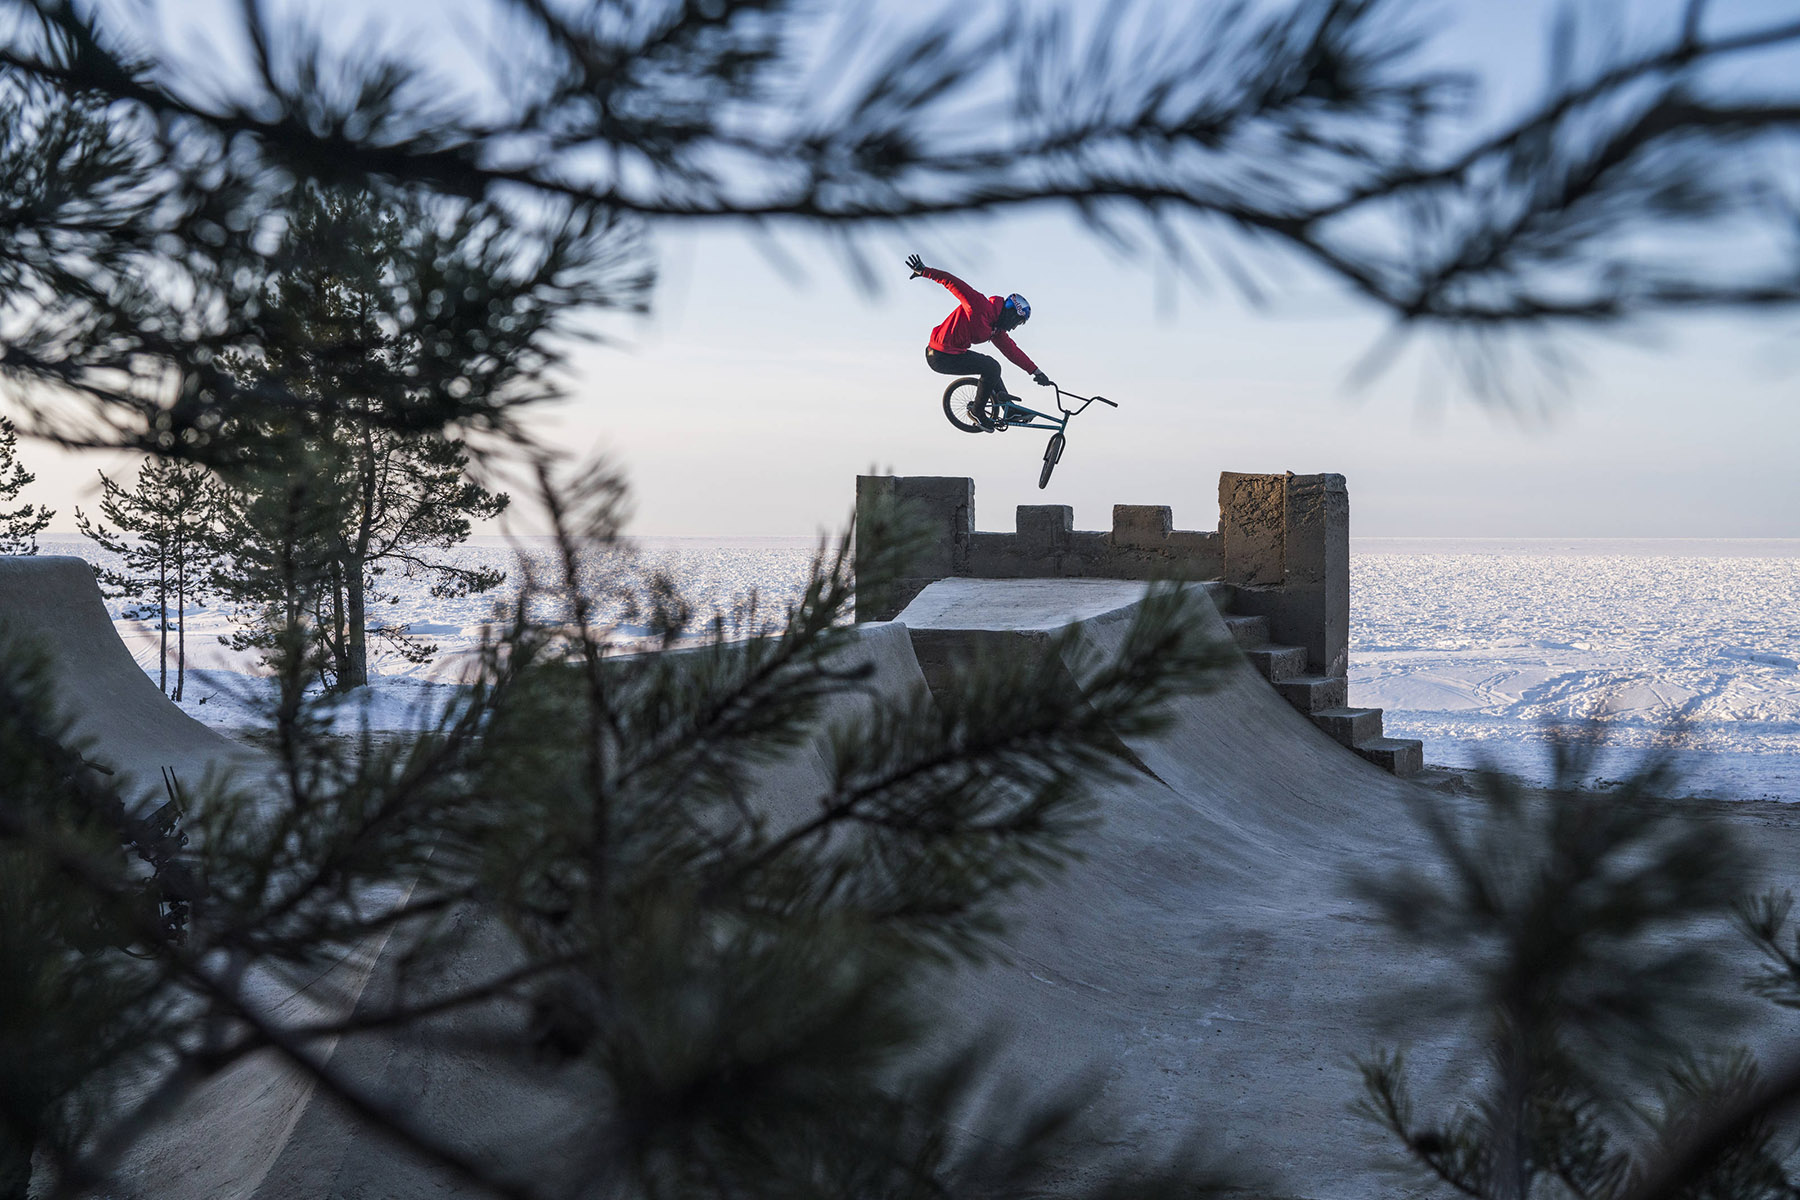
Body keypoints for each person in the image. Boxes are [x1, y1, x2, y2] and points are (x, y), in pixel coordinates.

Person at [907, 253, 1052, 429]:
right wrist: (925, 271)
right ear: (1010, 313)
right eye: (1016, 322)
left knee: (991, 365)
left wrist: (1036, 372)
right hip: (939, 355)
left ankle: (1008, 409)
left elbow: (1013, 352)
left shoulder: (997, 330)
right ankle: (977, 411)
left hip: (955, 353)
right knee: (991, 367)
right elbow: (952, 282)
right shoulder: (979, 305)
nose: (1014, 327)